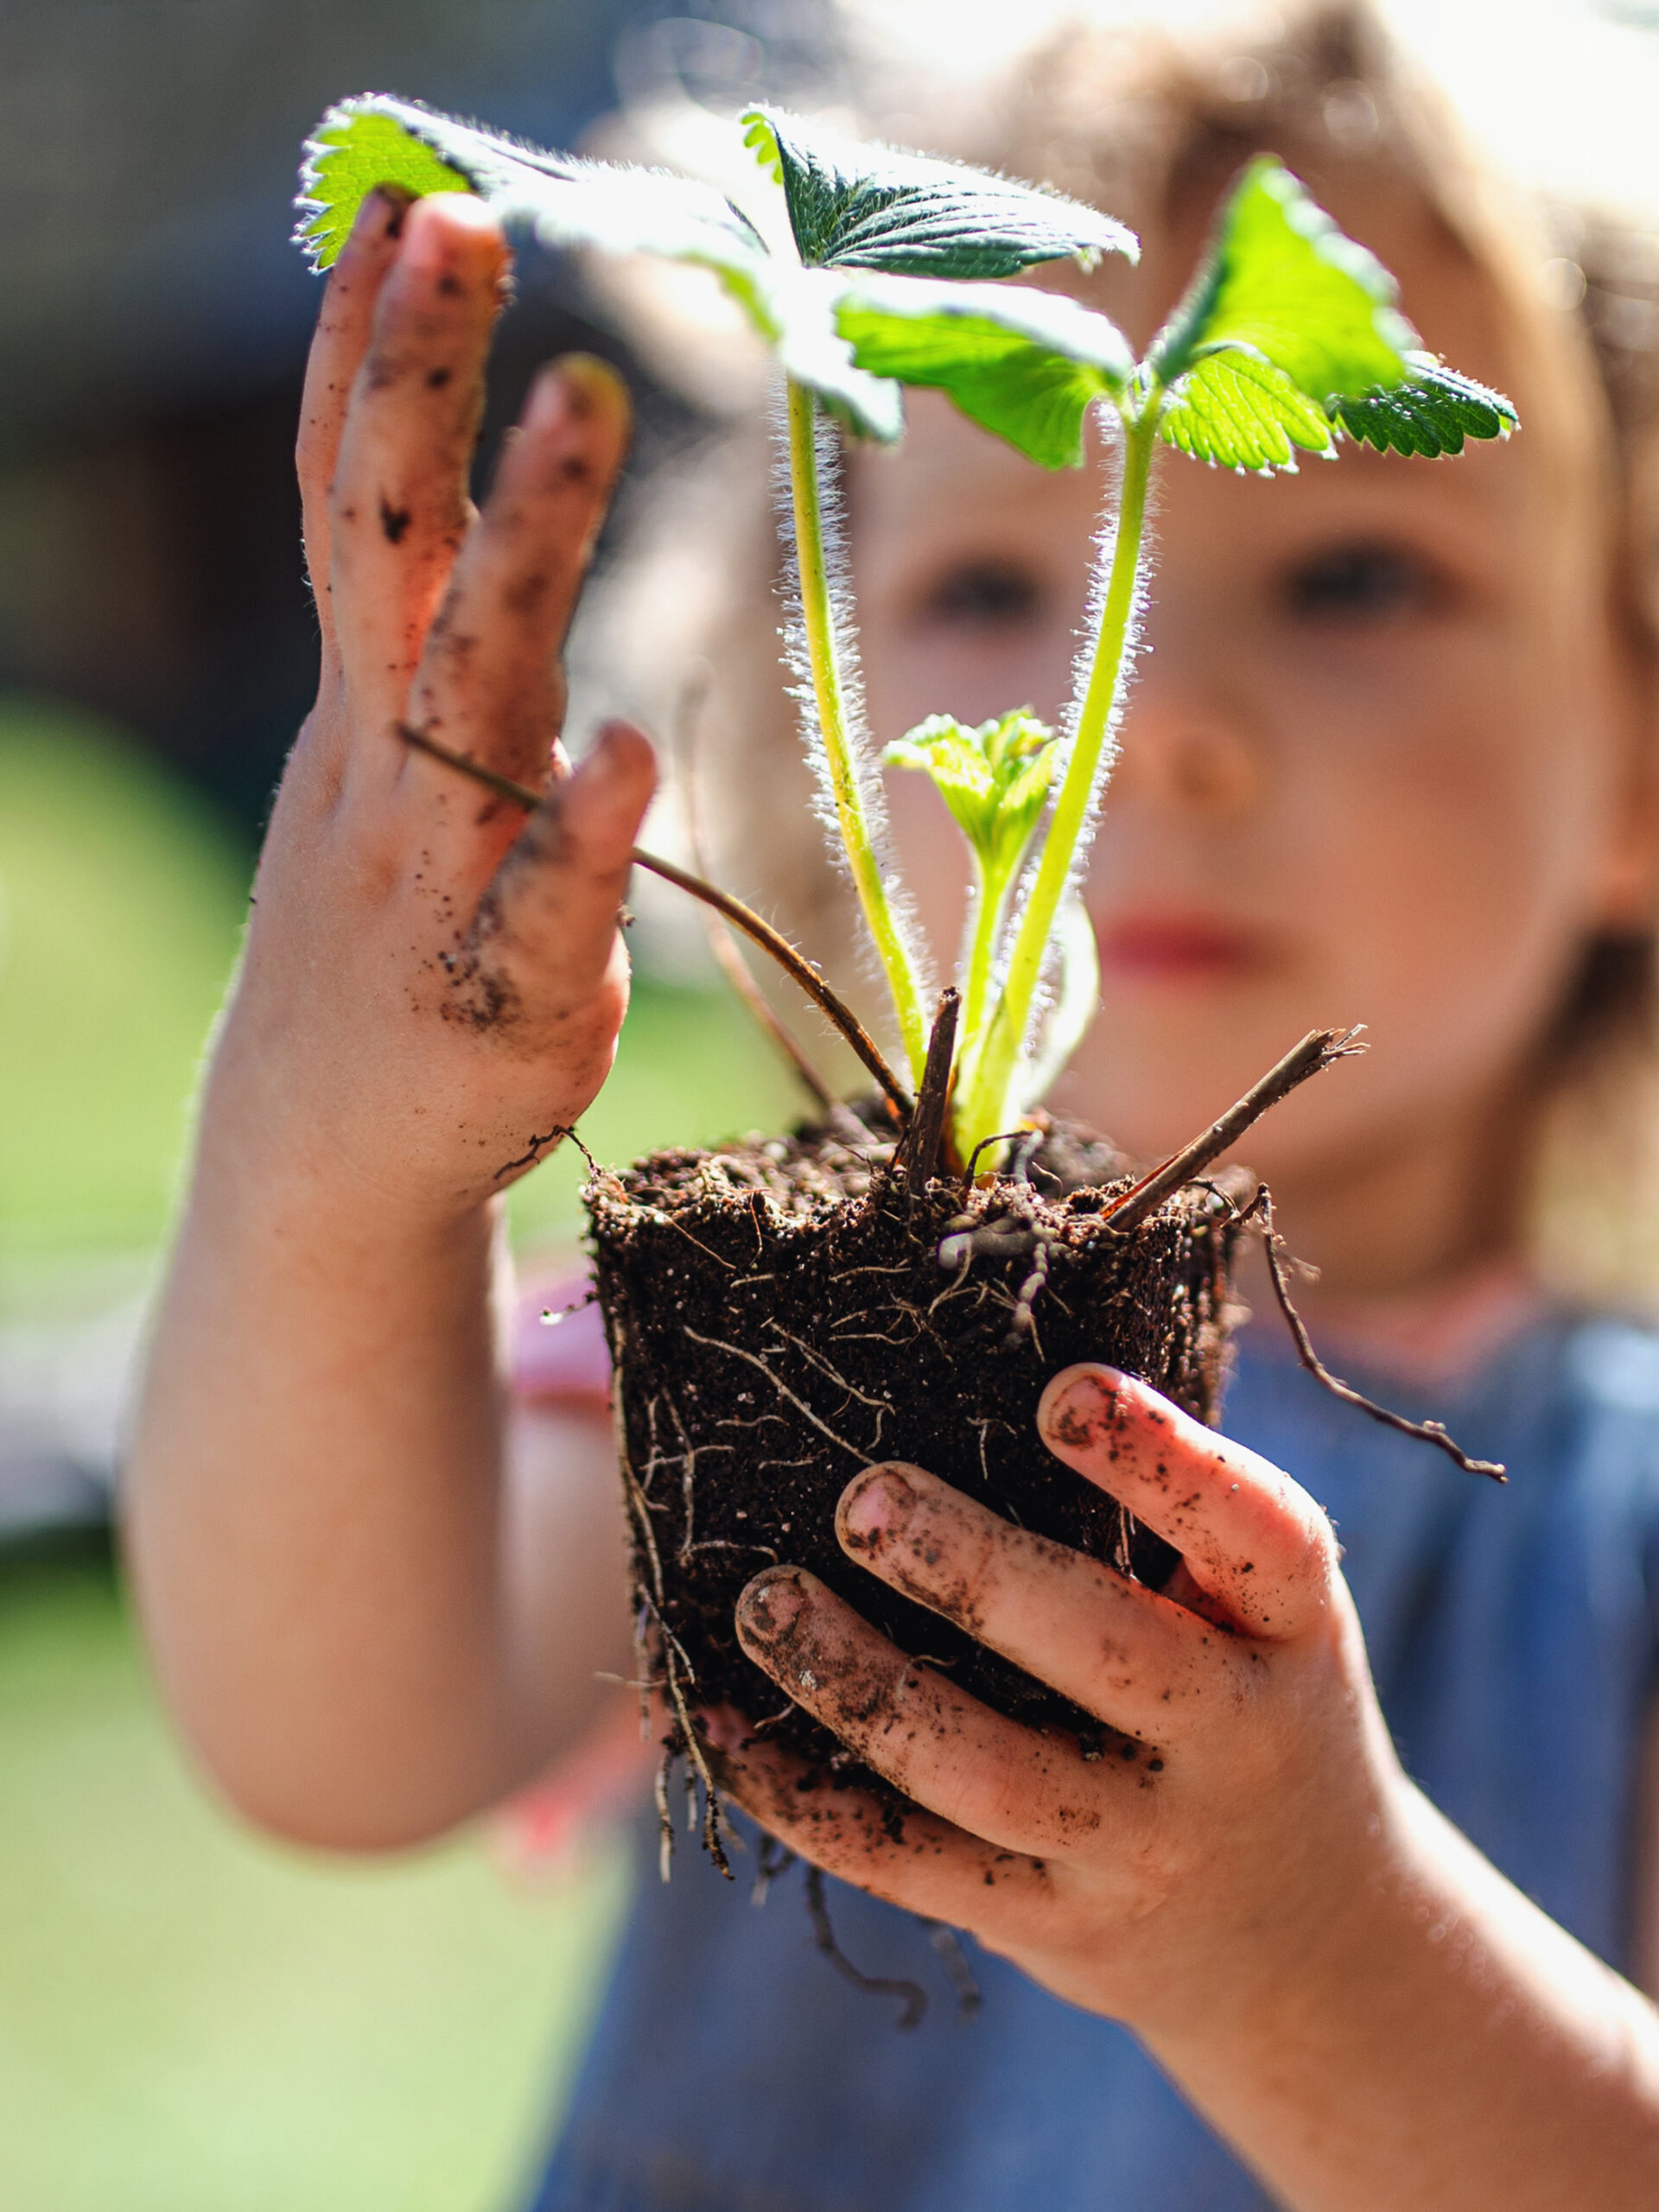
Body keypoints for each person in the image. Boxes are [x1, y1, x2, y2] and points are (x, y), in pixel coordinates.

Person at [126, 4, 1659, 2205]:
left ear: (1641, 749)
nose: (1154, 725)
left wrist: (1305, 1950)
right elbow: (331, 1733)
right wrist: (326, 1165)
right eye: (985, 585)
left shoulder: (1616, 1517)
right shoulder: (751, 1328)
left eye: (1355, 577)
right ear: (803, 685)